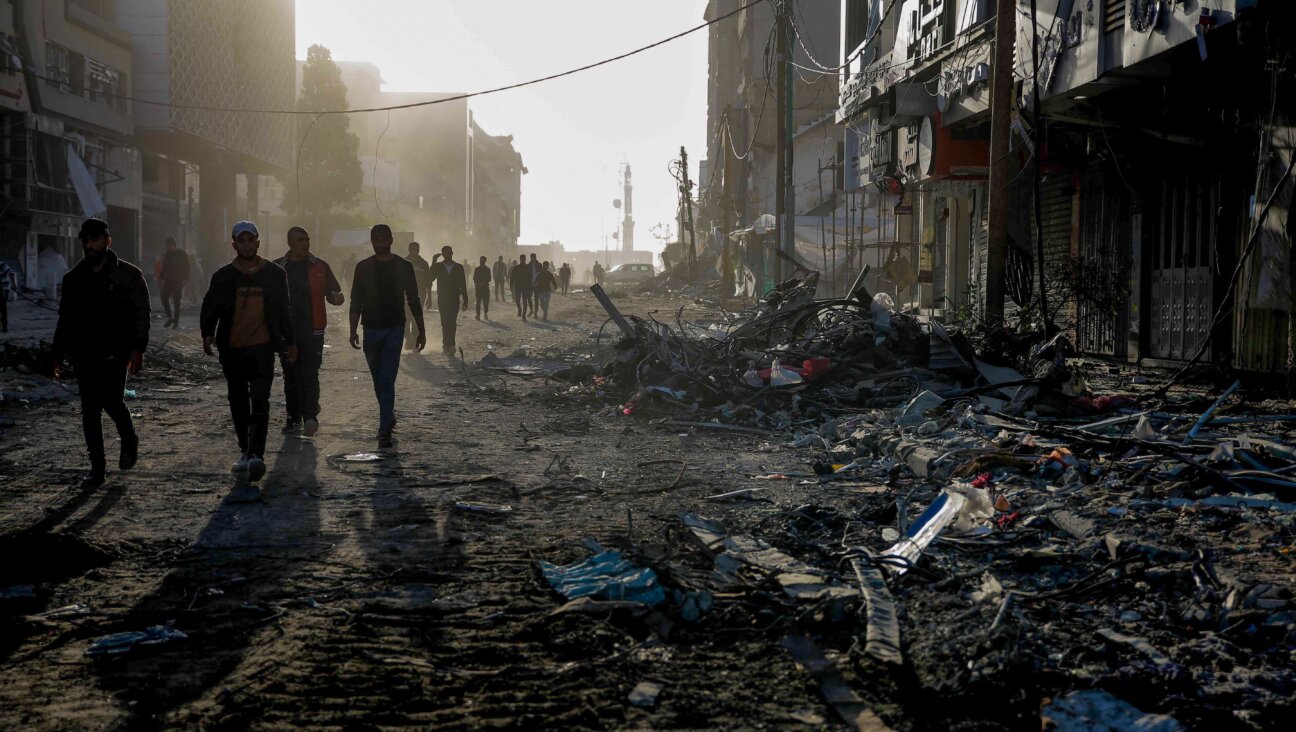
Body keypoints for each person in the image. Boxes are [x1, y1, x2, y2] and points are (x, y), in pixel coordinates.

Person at [51, 217, 149, 489]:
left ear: (107, 241)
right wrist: (57, 352)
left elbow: (140, 312)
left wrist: (138, 348)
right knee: (90, 410)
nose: (89, 245)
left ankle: (128, 439)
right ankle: (97, 468)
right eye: (85, 240)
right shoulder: (74, 279)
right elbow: (66, 318)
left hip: (116, 351)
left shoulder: (129, 275)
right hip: (84, 352)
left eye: (94, 239)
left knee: (112, 401)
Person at [200, 221, 296, 483]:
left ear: (257, 242)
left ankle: (257, 454)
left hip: (263, 348)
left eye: (249, 240)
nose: (245, 245)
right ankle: (245, 449)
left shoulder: (275, 274)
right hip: (232, 349)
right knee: (238, 401)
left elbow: (283, 309)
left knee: (261, 401)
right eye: (240, 241)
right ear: (234, 244)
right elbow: (211, 306)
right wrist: (207, 332)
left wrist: (290, 341)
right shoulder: (223, 276)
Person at [350, 224, 425, 448]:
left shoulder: (404, 267)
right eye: (376, 240)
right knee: (377, 380)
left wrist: (421, 330)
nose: (380, 243)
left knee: (386, 380)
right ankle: (388, 415)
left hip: (394, 329)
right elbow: (356, 300)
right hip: (370, 329)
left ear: (391, 241)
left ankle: (384, 431)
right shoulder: (362, 267)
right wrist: (352, 329)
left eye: (384, 239)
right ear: (372, 241)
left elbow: (414, 299)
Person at [274, 227, 344, 438]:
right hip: (288, 332)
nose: (305, 243)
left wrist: (336, 298)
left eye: (307, 239)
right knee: (291, 375)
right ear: (290, 243)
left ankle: (310, 416)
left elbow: (334, 293)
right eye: (299, 240)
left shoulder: (320, 266)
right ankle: (293, 416)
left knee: (310, 373)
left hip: (314, 331)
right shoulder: (277, 268)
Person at [429, 245, 470, 354]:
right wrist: (433, 261)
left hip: (454, 298)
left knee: (452, 321)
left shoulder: (458, 267)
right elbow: (430, 277)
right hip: (442, 298)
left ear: (452, 253)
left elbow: (463, 284)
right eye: (445, 253)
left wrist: (465, 299)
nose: (447, 255)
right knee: (444, 321)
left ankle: (451, 344)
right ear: (443, 255)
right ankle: (445, 343)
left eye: (449, 253)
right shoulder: (438, 266)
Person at [158, 237, 190, 329]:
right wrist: (161, 277)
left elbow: (187, 266)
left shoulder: (181, 254)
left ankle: (176, 323)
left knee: (177, 302)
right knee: (164, 298)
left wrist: (185, 278)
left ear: (173, 245)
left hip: (178, 281)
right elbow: (164, 266)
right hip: (168, 281)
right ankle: (170, 317)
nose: (167, 247)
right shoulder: (168, 254)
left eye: (168, 245)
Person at [406, 241, 432, 310]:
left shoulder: (423, 264)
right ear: (409, 250)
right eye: (412, 249)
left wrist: (429, 298)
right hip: (406, 295)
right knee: (406, 319)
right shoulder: (403, 262)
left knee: (416, 318)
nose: (414, 251)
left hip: (420, 295)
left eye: (416, 249)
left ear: (418, 250)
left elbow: (428, 282)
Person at [510, 254, 530, 321]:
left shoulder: (527, 267)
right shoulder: (516, 267)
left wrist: (530, 287)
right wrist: (511, 285)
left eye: (523, 259)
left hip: (525, 286)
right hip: (518, 286)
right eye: (521, 259)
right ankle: (519, 309)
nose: (522, 260)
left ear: (525, 259)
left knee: (524, 301)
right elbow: (512, 277)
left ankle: (524, 315)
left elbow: (530, 278)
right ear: (520, 259)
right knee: (517, 300)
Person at [0, 259, 17, 332]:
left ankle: (4, 327)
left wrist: (14, 285)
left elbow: (11, 273)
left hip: (4, 289)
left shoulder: (2, 264)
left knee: (3, 308)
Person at [473, 255, 492, 321]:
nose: (481, 261)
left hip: (485, 288)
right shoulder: (476, 269)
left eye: (482, 260)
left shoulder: (487, 269)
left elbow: (489, 278)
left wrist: (483, 283)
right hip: (478, 288)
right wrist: (476, 284)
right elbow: (474, 278)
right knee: (478, 302)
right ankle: (478, 315)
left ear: (485, 261)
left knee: (486, 302)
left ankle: (485, 313)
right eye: (480, 260)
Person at [527, 253, 542, 317]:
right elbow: (527, 275)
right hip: (530, 284)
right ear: (531, 258)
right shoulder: (528, 265)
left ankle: (535, 313)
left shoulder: (539, 265)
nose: (533, 258)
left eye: (534, 257)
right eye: (532, 257)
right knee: (529, 298)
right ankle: (531, 310)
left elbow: (541, 274)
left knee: (536, 299)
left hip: (537, 284)